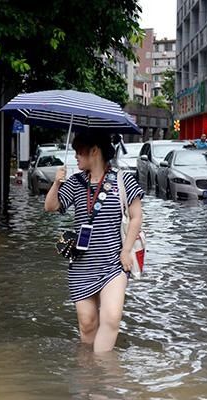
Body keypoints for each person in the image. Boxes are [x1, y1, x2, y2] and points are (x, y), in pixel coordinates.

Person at [44, 131, 144, 353]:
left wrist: (126, 251)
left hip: (113, 263)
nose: (76, 157)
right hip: (81, 265)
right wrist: (56, 183)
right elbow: (50, 207)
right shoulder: (75, 182)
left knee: (111, 318)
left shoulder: (123, 179)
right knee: (87, 324)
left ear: (95, 151)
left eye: (80, 152)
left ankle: (103, 373)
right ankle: (89, 374)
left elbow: (137, 216)